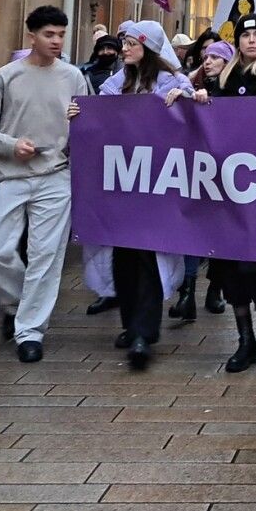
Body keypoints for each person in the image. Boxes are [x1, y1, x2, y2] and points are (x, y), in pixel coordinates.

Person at [69, 20, 193, 370]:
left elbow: (193, 113)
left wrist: (183, 100)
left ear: (148, 48)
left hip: (156, 187)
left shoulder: (172, 81)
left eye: (131, 44)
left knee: (146, 255)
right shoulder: (115, 83)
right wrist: (78, 114)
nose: (124, 49)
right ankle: (131, 322)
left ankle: (144, 331)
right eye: (123, 43)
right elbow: (99, 117)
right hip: (121, 185)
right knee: (123, 255)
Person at [0, 5, 88, 363]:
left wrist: (80, 120)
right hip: (11, 175)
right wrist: (10, 145)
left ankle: (30, 331)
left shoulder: (74, 77)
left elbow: (90, 125)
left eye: (61, 34)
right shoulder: (7, 76)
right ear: (32, 35)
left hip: (55, 174)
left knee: (46, 256)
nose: (56, 41)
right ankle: (16, 304)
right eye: (49, 34)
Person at [188, 14, 256, 371]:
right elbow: (211, 122)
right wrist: (200, 99)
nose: (251, 40)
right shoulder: (225, 77)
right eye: (245, 35)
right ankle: (245, 339)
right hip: (229, 188)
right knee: (232, 264)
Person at [169, 39, 234, 320]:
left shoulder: (232, 87)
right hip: (198, 167)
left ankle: (215, 289)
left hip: (227, 169)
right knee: (194, 230)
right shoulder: (192, 84)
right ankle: (187, 293)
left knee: (219, 231)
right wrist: (180, 97)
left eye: (215, 58)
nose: (208, 62)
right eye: (206, 57)